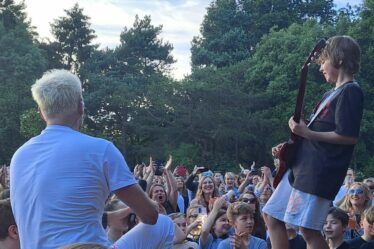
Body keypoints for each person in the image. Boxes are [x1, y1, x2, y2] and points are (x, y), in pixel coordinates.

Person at [10, 69, 158, 249]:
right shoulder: (101, 150)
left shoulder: (19, 155)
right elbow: (150, 216)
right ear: (81, 106)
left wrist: (107, 218)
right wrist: (153, 206)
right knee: (165, 226)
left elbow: (48, 217)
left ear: (41, 112)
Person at [263, 35, 364, 249]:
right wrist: (292, 142)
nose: (320, 68)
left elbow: (348, 137)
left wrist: (306, 133)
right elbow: (316, 132)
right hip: (303, 167)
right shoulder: (332, 93)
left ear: (338, 59)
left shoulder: (351, 91)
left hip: (319, 173)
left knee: (308, 230)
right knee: (272, 216)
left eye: (323, 61)